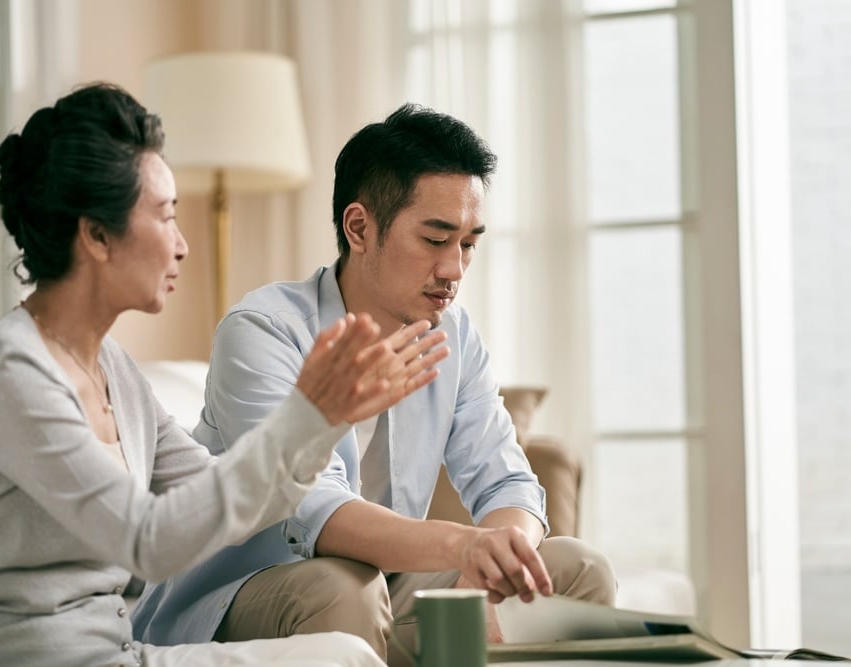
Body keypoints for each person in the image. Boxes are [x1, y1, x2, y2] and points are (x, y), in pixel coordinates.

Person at [0, 84, 450, 667]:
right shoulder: (10, 373)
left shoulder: (111, 367)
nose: (182, 245)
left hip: (110, 654)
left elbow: (223, 500)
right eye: (165, 216)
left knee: (342, 653)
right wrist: (309, 413)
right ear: (97, 235)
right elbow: (149, 539)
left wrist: (326, 422)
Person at [131, 103, 618, 666]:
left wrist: (491, 568)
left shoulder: (453, 335)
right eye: (436, 240)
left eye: (468, 244)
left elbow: (509, 483)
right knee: (344, 584)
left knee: (579, 570)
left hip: (387, 585)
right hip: (237, 597)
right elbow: (315, 512)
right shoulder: (263, 331)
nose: (455, 270)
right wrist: (465, 545)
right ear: (359, 227)